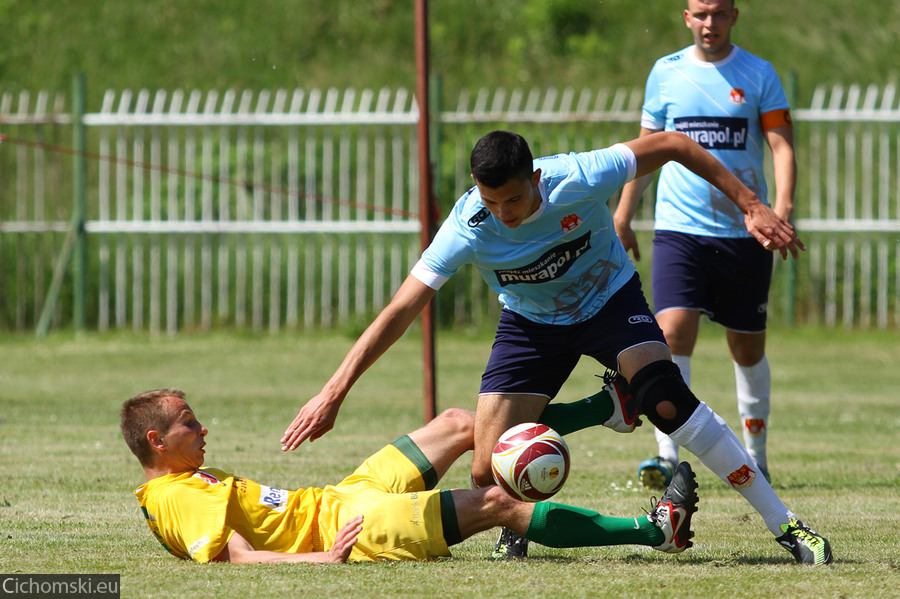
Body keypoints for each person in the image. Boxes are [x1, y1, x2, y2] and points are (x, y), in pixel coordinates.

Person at [280, 129, 831, 565]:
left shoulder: (580, 174)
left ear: (537, 178)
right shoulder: (468, 225)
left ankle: (786, 525)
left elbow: (673, 146)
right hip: (531, 324)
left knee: (666, 400)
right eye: (491, 200)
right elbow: (400, 309)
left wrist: (750, 203)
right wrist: (334, 392)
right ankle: (595, 423)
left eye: (515, 198)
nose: (504, 212)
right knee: (486, 471)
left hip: (609, 302)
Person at [121, 388, 700, 563]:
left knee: (460, 422)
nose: (203, 431)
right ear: (156, 442)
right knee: (497, 501)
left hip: (342, 495)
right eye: (189, 425)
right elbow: (237, 560)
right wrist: (324, 560)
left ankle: (610, 411)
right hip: (355, 525)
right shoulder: (172, 496)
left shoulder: (188, 475)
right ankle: (656, 529)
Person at [614, 0, 795, 490]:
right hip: (679, 229)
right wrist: (624, 214)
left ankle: (756, 454)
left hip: (744, 232)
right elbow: (644, 152)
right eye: (700, 14)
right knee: (671, 335)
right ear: (686, 17)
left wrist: (781, 209)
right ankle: (667, 455)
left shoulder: (758, 73)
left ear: (734, 15)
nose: (709, 23)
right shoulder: (666, 72)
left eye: (718, 14)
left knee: (747, 347)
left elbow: (781, 144)